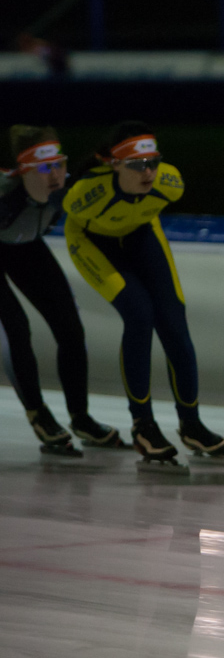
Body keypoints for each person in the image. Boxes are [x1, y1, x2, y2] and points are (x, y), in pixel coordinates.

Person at [62, 122, 224, 469]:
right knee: (139, 316)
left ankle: (191, 424)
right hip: (93, 242)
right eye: (138, 165)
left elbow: (146, 207)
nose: (149, 173)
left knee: (174, 323)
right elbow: (72, 223)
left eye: (153, 162)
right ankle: (143, 425)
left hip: (142, 235)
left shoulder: (170, 183)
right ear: (115, 165)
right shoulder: (84, 196)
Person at [1, 125, 121, 454]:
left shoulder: (72, 186)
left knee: (70, 327)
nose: (54, 176)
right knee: (15, 328)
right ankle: (37, 413)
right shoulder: (3, 192)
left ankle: (80, 417)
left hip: (25, 246)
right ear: (22, 172)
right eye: (43, 168)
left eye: (59, 164)